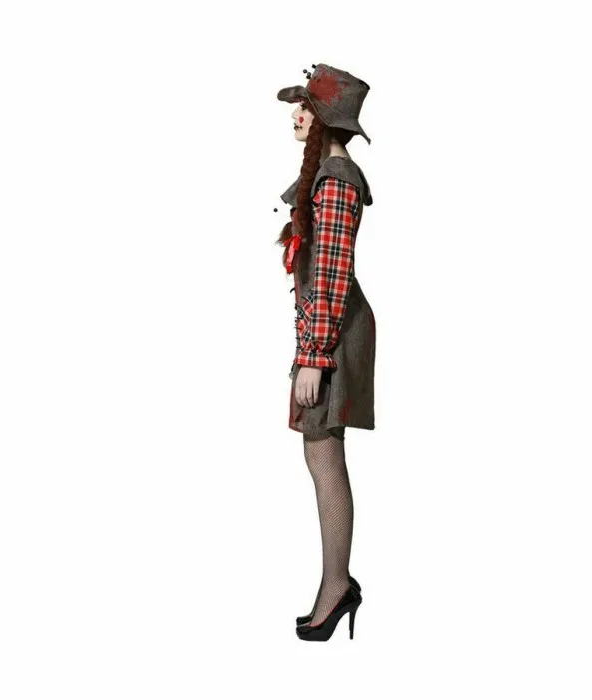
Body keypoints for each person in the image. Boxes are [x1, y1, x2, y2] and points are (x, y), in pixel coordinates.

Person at [274, 63, 376, 641]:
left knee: (324, 456)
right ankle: (337, 584)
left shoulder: (335, 179)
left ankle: (337, 587)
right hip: (326, 330)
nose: (296, 115)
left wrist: (315, 355)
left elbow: (332, 276)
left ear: (326, 120)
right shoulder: (325, 175)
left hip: (331, 335)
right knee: (321, 456)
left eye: (305, 107)